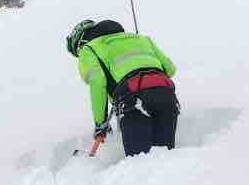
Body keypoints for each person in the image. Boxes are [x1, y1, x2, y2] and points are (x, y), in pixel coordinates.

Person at [66, 19, 180, 156]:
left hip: (133, 99)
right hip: (166, 95)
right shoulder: (142, 39)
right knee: (165, 158)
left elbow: (98, 83)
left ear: (81, 42)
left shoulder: (89, 49)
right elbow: (170, 69)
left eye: (77, 52)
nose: (79, 55)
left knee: (140, 163)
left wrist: (100, 124)